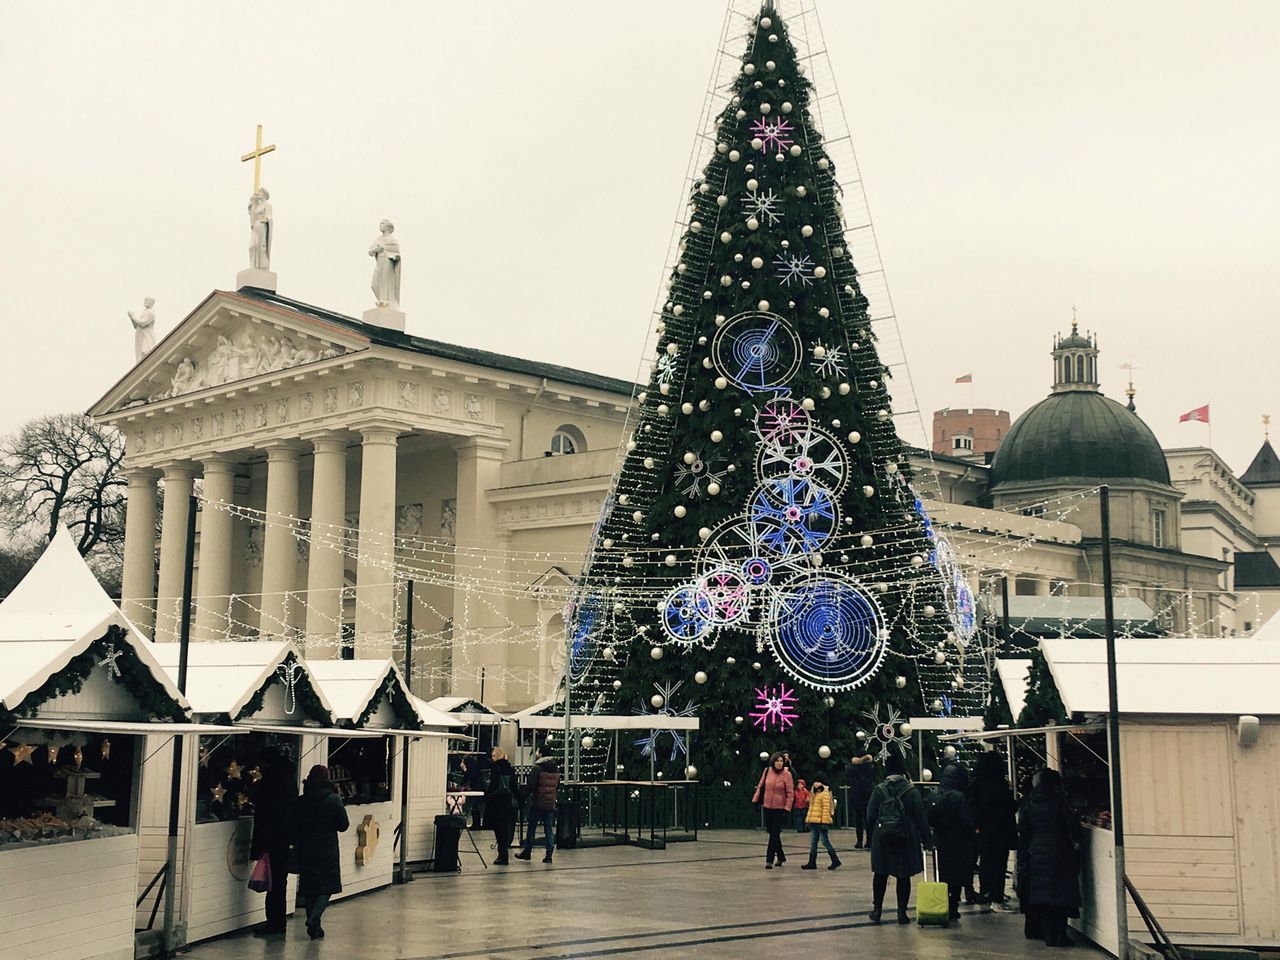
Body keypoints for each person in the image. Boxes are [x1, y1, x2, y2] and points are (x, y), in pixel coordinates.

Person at [1017, 768, 1082, 947]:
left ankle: (1048, 935)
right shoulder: (1059, 799)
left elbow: (1023, 828)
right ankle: (1060, 935)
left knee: (1043, 897)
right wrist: (1077, 840)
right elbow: (1072, 823)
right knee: (1060, 896)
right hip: (1060, 851)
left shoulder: (1029, 801)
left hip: (1036, 851)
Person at [866, 752, 933, 924]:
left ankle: (877, 910)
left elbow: (870, 815)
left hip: (882, 839)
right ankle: (902, 913)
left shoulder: (879, 790)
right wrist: (927, 841)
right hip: (906, 838)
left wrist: (872, 836)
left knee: (880, 874)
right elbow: (921, 818)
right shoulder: (911, 791)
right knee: (903, 877)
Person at [296, 764, 350, 941]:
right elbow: (343, 825)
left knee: (310, 888)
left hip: (306, 847)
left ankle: (315, 928)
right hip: (327, 848)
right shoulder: (334, 799)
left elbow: (294, 823)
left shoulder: (302, 800)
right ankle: (315, 917)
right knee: (327, 886)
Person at [249, 746, 296, 936]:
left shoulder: (272, 781)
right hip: (285, 840)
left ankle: (274, 923)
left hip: (273, 840)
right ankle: (278, 921)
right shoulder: (288, 779)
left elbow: (266, 810)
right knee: (279, 882)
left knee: (274, 884)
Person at [928, 763, 977, 920]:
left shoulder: (934, 794)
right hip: (958, 841)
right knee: (957, 875)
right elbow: (966, 821)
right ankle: (953, 906)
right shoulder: (959, 796)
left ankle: (943, 903)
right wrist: (973, 836)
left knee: (944, 874)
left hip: (941, 840)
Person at [970, 750, 1018, 904]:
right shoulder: (999, 785)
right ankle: (996, 895)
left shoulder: (976, 783)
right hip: (1000, 831)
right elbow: (1008, 807)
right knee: (998, 864)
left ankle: (986, 892)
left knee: (986, 861)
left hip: (983, 831)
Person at [515, 745, 560, 863]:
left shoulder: (538, 768)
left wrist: (522, 798)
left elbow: (531, 785)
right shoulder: (555, 768)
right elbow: (557, 786)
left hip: (538, 802)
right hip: (550, 803)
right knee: (548, 829)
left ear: (540, 753)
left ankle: (527, 851)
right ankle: (549, 854)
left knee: (532, 827)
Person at [752, 752, 795, 869]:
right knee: (772, 833)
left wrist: (787, 808)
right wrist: (755, 801)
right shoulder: (767, 771)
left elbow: (790, 793)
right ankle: (781, 856)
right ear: (773, 761)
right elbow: (760, 786)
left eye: (781, 761)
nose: (779, 763)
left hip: (780, 808)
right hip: (767, 807)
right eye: (777, 761)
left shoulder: (787, 775)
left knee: (774, 834)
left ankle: (769, 860)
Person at [483, 747, 519, 865]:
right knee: (505, 828)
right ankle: (504, 853)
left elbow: (493, 785)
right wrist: (520, 799)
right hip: (508, 802)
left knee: (499, 829)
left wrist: (488, 795)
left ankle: (502, 855)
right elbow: (514, 786)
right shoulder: (510, 769)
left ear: (498, 756)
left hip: (497, 802)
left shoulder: (495, 768)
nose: (492, 758)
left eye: (494, 756)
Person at [801, 779, 842, 870]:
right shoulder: (814, 792)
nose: (816, 784)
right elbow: (811, 807)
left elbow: (826, 808)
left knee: (825, 841)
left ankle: (835, 860)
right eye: (815, 782)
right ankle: (812, 862)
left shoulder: (825, 792)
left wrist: (824, 822)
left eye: (818, 782)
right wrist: (808, 820)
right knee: (813, 842)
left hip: (821, 822)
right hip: (814, 821)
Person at [847, 753, 875, 849]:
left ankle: (859, 842)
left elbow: (848, 773)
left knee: (859, 821)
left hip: (857, 796)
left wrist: (856, 762)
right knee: (868, 820)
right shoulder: (870, 767)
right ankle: (869, 841)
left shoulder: (855, 768)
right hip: (868, 795)